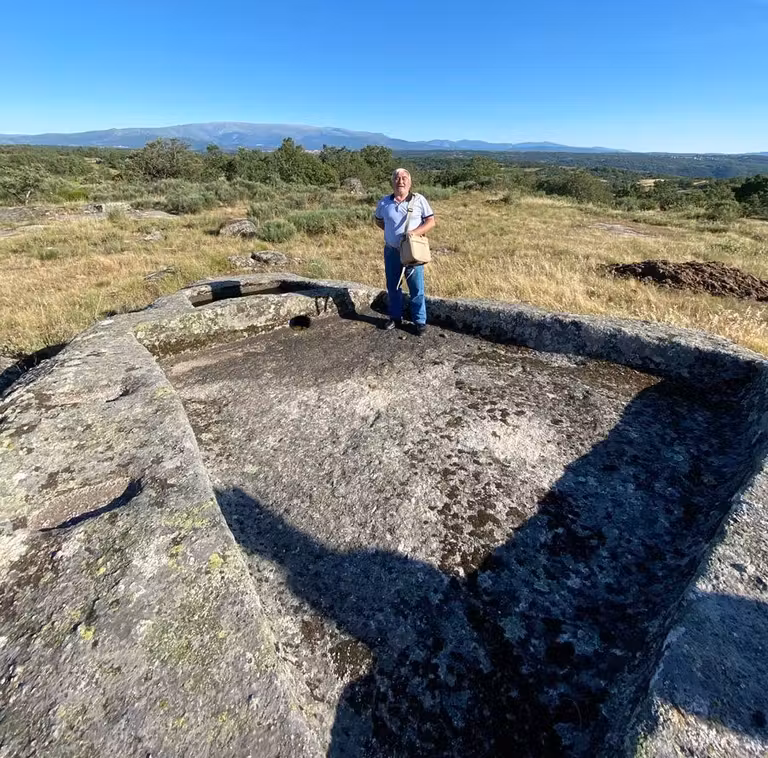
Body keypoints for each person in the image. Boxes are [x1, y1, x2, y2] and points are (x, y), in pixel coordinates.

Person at [374, 169, 436, 335]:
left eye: (404, 178)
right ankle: (395, 318)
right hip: (392, 251)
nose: (400, 181)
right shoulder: (384, 202)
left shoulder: (419, 200)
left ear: (410, 182)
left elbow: (431, 222)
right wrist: (392, 235)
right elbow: (379, 221)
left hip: (412, 251)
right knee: (393, 287)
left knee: (417, 288)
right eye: (396, 178)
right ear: (392, 182)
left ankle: (419, 321)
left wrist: (414, 233)